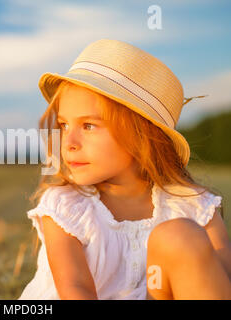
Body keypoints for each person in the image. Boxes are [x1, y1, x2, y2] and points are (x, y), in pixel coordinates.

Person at [18, 39, 231, 300]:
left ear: (142, 137)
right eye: (63, 125)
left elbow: (222, 279)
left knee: (179, 235)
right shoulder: (68, 207)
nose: (69, 143)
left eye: (88, 126)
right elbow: (76, 289)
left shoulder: (192, 205)